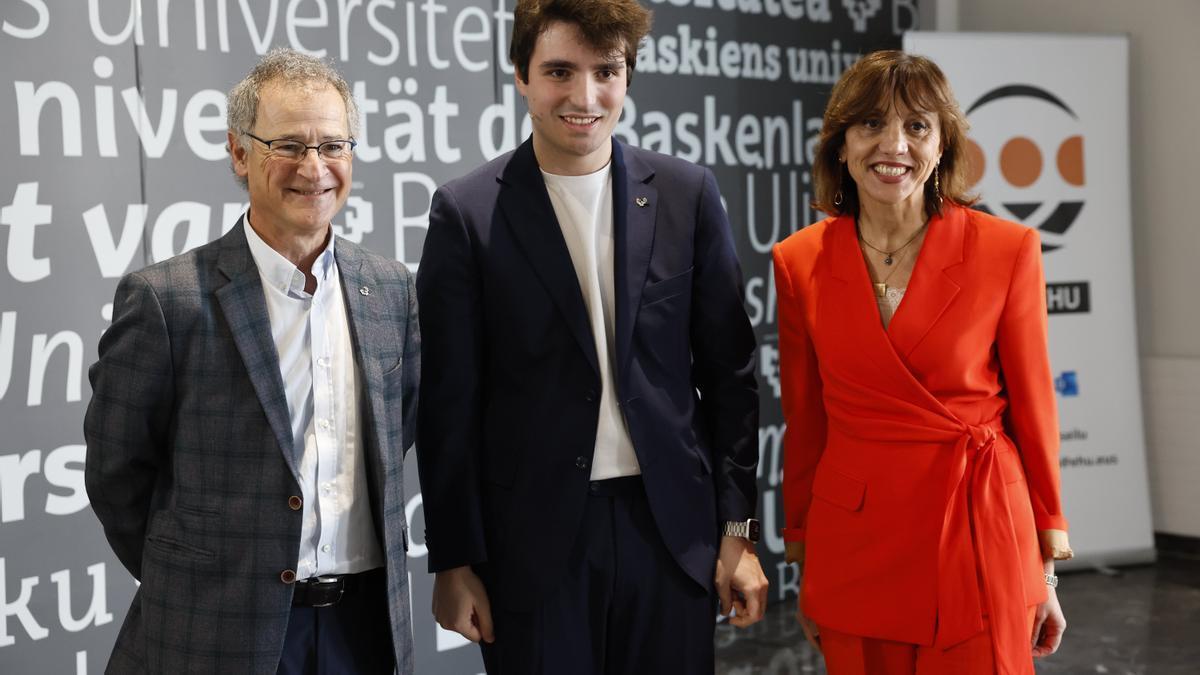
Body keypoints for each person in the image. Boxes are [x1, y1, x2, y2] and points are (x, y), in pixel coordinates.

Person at [415, 1, 768, 672]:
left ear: (628, 74)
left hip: (670, 534)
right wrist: (454, 559)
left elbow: (730, 374)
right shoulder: (467, 212)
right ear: (520, 75)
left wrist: (736, 530)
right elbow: (447, 403)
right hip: (532, 548)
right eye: (558, 71)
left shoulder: (687, 194)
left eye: (606, 70)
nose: (585, 96)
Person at [84, 48, 418, 674]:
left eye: (333, 146)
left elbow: (397, 437)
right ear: (240, 154)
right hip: (218, 631)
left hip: (364, 631)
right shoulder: (166, 300)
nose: (314, 168)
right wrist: (201, 576)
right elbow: (116, 476)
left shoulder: (392, 290)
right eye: (287, 145)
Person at [772, 50, 1073, 675]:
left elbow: (1034, 406)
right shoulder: (797, 261)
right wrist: (804, 553)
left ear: (942, 145)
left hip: (974, 532)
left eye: (917, 126)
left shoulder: (1006, 249)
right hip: (854, 547)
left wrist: (1044, 564)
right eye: (871, 124)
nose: (894, 145)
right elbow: (806, 421)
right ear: (841, 143)